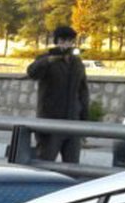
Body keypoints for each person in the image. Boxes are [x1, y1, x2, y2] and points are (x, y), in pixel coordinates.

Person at [26, 26, 90, 163]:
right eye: (63, 40)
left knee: (72, 165)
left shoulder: (77, 63)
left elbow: (83, 92)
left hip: (73, 121)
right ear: (56, 41)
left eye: (70, 41)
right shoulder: (46, 59)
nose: (66, 44)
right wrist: (48, 61)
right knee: (45, 161)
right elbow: (32, 72)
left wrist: (84, 120)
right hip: (50, 120)